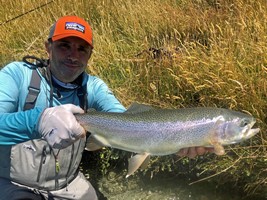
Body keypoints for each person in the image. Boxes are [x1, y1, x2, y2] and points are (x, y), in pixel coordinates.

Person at [0, 16, 219, 200]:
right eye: (64, 45)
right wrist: (37, 120)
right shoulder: (17, 75)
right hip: (12, 183)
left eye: (82, 49)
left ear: (90, 54)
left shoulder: (93, 87)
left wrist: (180, 138)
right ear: (48, 47)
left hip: (66, 186)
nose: (73, 55)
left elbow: (127, 121)